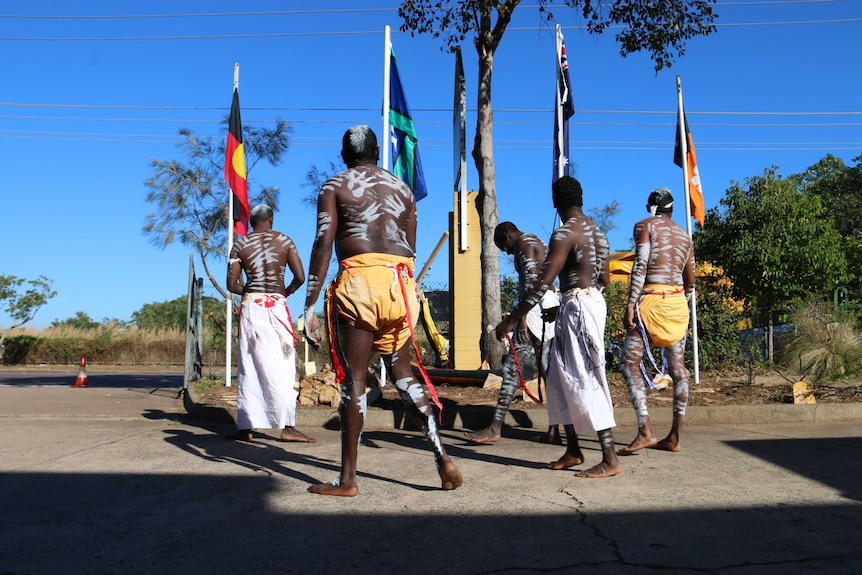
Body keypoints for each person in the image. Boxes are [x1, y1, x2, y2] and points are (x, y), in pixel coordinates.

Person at [303, 125, 462, 497]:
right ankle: (442, 455)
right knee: (404, 373)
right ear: (377, 151)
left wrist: (309, 303)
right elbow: (410, 248)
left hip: (361, 283)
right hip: (401, 286)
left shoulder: (334, 186)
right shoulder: (404, 189)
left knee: (355, 380)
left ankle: (348, 480)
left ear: (345, 154)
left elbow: (324, 244)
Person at [495, 176, 621, 478]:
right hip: (585, 304)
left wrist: (512, 319)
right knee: (557, 379)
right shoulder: (599, 234)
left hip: (576, 306)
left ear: (555, 201)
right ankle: (573, 449)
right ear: (581, 197)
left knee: (585, 377)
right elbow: (605, 280)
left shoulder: (565, 233)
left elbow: (542, 283)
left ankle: (610, 457)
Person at [226, 204, 316, 444]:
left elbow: (232, 284)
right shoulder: (285, 241)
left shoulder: (240, 245)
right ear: (271, 220)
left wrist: (254, 290)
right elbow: (300, 277)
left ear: (251, 221)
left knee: (249, 366)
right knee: (284, 368)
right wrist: (283, 292)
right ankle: (288, 427)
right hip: (276, 306)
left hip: (251, 307)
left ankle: (246, 427)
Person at [465, 221, 561, 445]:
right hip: (549, 305)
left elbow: (529, 283)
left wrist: (521, 321)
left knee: (511, 368)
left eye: (505, 246)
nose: (508, 251)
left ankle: (495, 428)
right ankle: (555, 429)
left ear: (507, 235)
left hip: (534, 311)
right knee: (548, 371)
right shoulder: (538, 241)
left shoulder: (522, 244)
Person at [618, 187, 695, 455]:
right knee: (678, 370)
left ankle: (645, 431)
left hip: (651, 301)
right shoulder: (685, 236)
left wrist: (630, 304)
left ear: (649, 207)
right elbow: (691, 281)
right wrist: (677, 300)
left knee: (629, 363)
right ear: (672, 210)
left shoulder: (645, 226)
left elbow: (640, 265)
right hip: (676, 304)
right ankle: (674, 437)